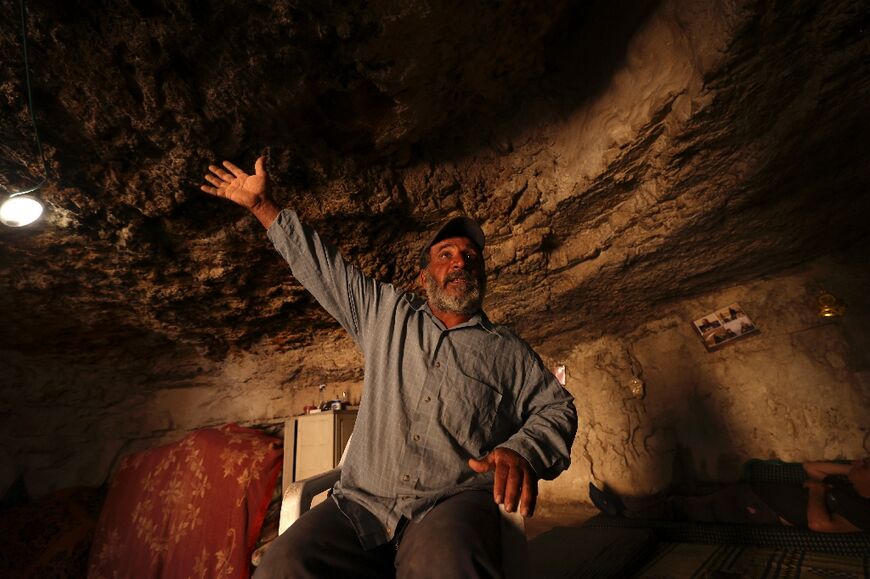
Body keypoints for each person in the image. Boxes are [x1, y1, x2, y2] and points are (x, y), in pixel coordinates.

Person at [201, 157, 578, 578]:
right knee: (284, 563)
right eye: (446, 254)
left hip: (448, 505)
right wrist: (263, 207)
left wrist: (521, 449)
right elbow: (323, 269)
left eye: (471, 256)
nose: (460, 262)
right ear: (424, 277)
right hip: (361, 501)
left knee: (447, 566)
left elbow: (558, 409)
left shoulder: (508, 351)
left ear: (483, 274)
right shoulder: (386, 313)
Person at [589, 458, 870, 533]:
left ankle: (625, 514)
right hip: (754, 494)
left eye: (865, 464)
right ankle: (627, 504)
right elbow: (812, 468)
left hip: (762, 510)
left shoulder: (864, 510)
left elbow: (821, 525)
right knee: (684, 489)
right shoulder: (850, 487)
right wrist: (852, 471)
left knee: (690, 508)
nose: (859, 462)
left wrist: (819, 491)